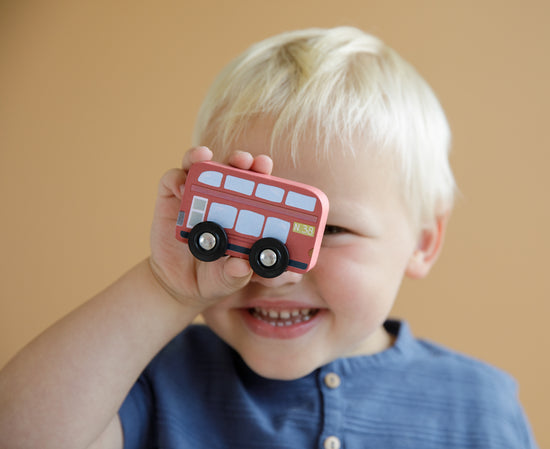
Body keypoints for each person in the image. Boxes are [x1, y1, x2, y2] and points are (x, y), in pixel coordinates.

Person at [0, 26, 537, 449]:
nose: (275, 272)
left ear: (423, 242)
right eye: (241, 222)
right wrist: (165, 290)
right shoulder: (154, 379)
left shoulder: (480, 406)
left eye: (331, 230)